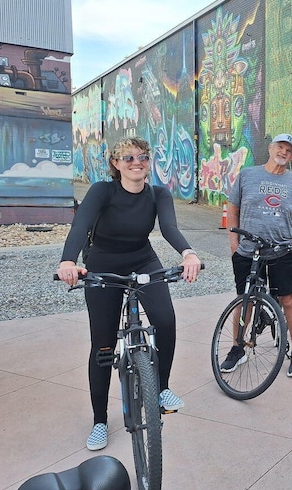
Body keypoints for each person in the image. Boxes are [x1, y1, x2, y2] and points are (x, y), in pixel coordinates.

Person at [57, 137, 203, 451]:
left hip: (142, 259)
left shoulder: (159, 194)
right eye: (128, 157)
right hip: (103, 262)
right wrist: (68, 261)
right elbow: (80, 226)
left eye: (142, 157)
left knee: (165, 320)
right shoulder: (102, 191)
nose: (136, 162)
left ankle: (161, 389)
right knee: (103, 344)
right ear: (116, 163)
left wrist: (189, 254)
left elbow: (169, 228)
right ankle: (99, 421)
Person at [224, 133, 292, 377]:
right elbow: (233, 209)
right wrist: (234, 244)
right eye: (280, 147)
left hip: (283, 250)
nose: (284, 152)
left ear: (291, 157)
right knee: (245, 299)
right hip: (248, 251)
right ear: (271, 148)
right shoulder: (247, 175)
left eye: (289, 151)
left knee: (289, 299)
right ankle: (238, 348)